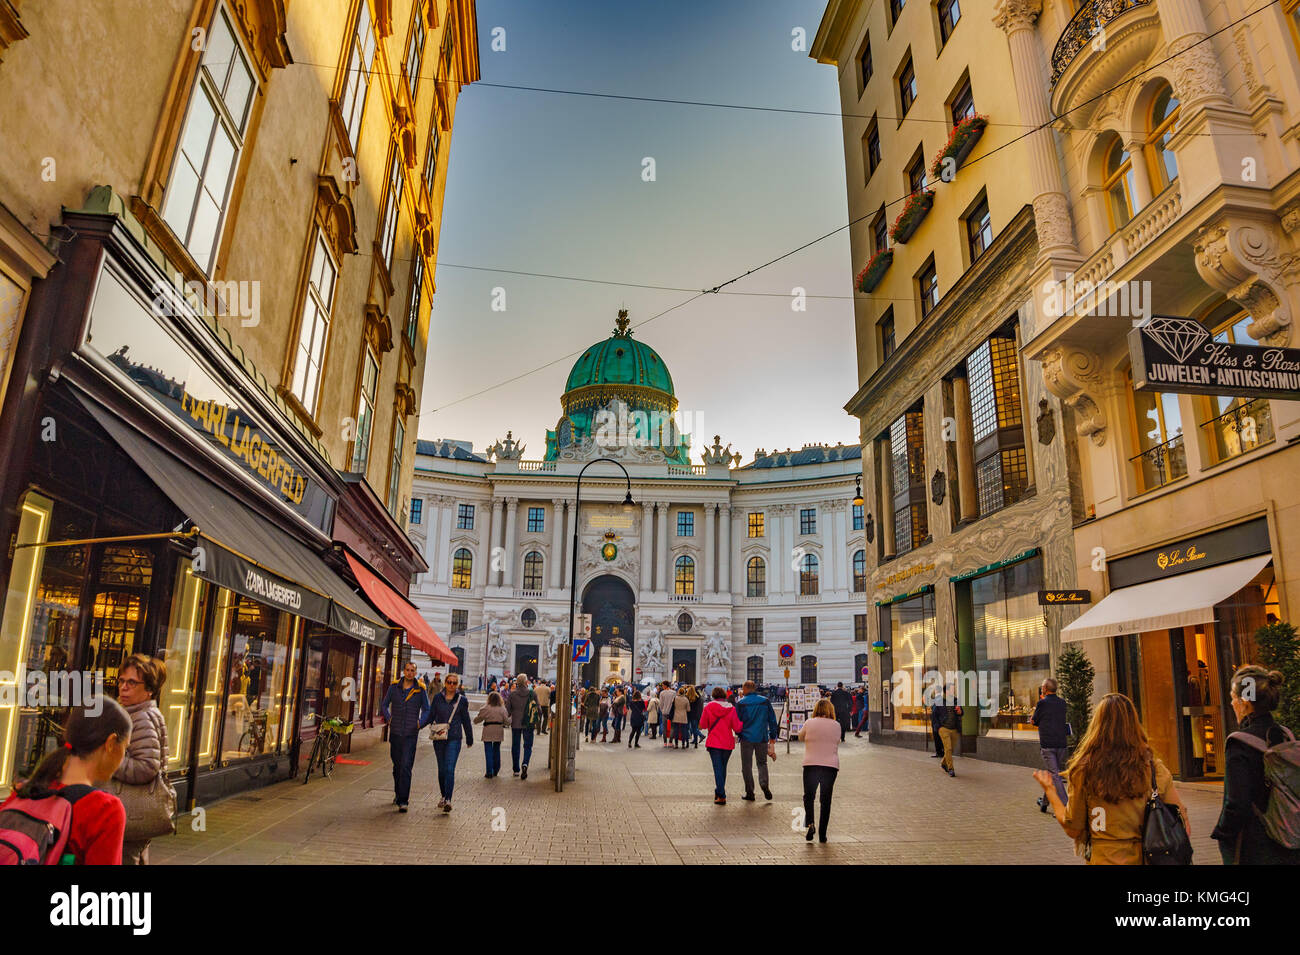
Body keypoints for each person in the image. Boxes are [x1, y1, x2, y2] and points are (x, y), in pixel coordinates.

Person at [1035, 692, 1190, 865]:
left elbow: (1073, 828)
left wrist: (1051, 791)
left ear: (1097, 725)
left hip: (1102, 859)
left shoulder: (1084, 769)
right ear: (1134, 724)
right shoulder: (1153, 768)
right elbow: (1180, 819)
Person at [1, 700, 131, 864]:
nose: (123, 757)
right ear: (111, 744)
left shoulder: (23, 793)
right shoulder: (104, 810)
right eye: (126, 748)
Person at [1212, 665, 1300, 864]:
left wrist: (1223, 833)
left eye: (1234, 697)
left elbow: (1236, 802)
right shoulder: (1286, 735)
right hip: (1289, 834)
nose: (1232, 702)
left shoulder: (1239, 742)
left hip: (1255, 844)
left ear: (1245, 703)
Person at [113, 653, 171, 864]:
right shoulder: (136, 713)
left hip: (130, 810)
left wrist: (108, 761)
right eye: (121, 680)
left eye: (132, 682)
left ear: (148, 690)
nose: (124, 687)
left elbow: (147, 766)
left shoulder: (141, 718)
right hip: (133, 811)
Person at [380, 661, 431, 813]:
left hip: (410, 733)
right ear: (403, 671)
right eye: (407, 670)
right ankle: (398, 793)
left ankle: (404, 800)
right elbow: (384, 705)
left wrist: (419, 724)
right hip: (395, 732)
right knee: (397, 766)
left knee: (406, 766)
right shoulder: (393, 687)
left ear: (415, 673)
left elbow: (427, 710)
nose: (409, 673)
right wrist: (389, 718)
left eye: (412, 671)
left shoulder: (420, 690)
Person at [427, 673, 473, 813]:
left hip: (454, 737)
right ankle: (443, 795)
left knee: (449, 768)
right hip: (439, 738)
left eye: (454, 683)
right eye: (449, 682)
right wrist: (417, 725)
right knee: (441, 769)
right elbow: (431, 715)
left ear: (457, 685)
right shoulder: (437, 698)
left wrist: (469, 738)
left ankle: (448, 799)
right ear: (445, 683)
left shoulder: (462, 700)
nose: (451, 685)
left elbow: (466, 720)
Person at [799, 698, 841, 843]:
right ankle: (823, 834)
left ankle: (810, 824)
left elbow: (800, 737)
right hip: (830, 767)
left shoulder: (809, 722)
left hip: (811, 764)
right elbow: (837, 741)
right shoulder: (836, 725)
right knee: (826, 800)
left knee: (809, 797)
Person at [735, 680, 780, 801]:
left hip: (746, 738)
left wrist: (738, 734)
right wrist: (772, 736)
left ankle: (750, 792)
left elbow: (737, 722)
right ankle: (764, 783)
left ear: (744, 689)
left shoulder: (741, 703)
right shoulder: (765, 701)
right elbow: (772, 720)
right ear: (754, 688)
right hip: (761, 737)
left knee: (746, 766)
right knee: (762, 763)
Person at [700, 686, 743, 805]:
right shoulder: (731, 708)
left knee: (718, 769)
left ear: (713, 695)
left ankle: (721, 794)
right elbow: (737, 727)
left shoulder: (708, 707)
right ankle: (719, 792)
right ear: (724, 695)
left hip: (714, 742)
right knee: (722, 769)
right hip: (727, 743)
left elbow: (703, 724)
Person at [1032, 677, 1069, 812]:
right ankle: (1044, 803)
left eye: (1042, 686)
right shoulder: (1062, 703)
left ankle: (1066, 805)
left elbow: (1034, 721)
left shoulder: (1042, 703)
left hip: (1048, 744)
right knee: (1053, 774)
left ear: (1045, 689)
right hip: (1061, 743)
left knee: (1054, 775)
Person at [506, 674, 536, 780]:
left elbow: (508, 711)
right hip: (528, 724)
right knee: (528, 746)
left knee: (515, 746)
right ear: (526, 682)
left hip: (516, 724)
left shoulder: (512, 694)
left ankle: (516, 769)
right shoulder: (532, 693)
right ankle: (525, 763)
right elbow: (538, 709)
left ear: (516, 683)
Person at [473, 691, 509, 778]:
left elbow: (477, 720)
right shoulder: (502, 709)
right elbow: (507, 722)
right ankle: (496, 770)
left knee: (488, 751)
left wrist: (475, 720)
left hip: (488, 730)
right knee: (496, 750)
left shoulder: (485, 708)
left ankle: (489, 771)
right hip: (498, 730)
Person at [932, 685, 962, 777]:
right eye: (952, 690)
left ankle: (943, 763)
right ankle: (951, 769)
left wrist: (960, 711)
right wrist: (938, 727)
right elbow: (934, 715)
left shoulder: (956, 700)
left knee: (950, 749)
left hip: (954, 729)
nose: (953, 691)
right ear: (947, 691)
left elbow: (961, 712)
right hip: (944, 728)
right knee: (948, 748)